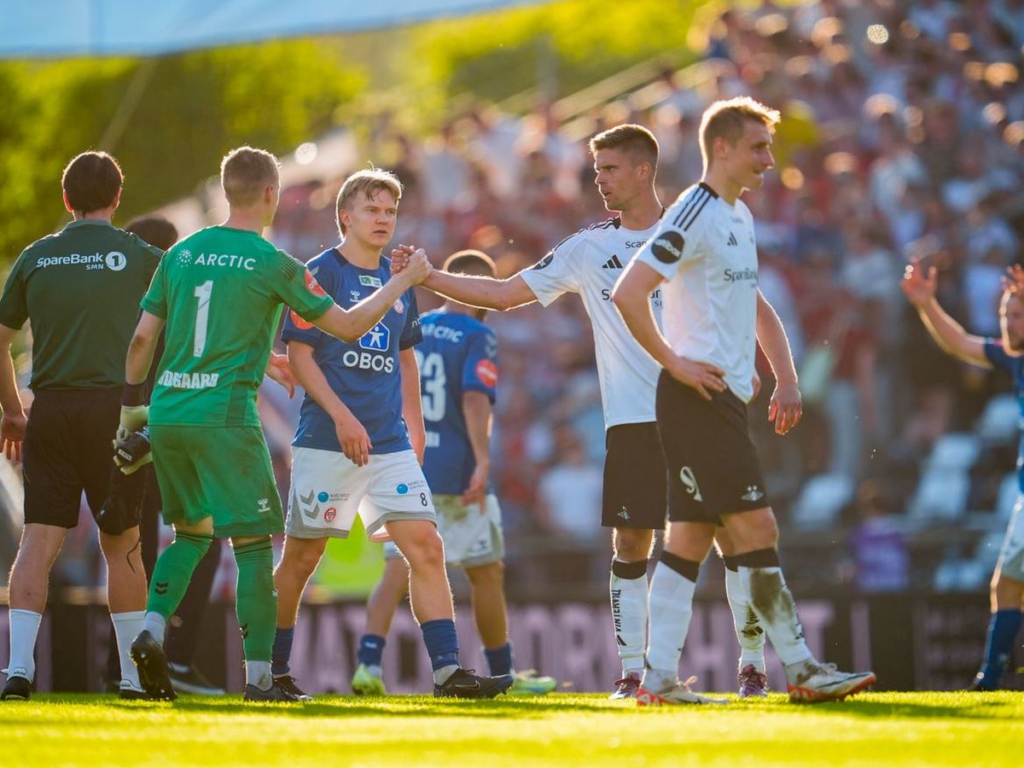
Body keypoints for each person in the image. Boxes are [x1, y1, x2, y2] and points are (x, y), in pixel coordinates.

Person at [391, 123, 770, 698]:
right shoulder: (588, 248)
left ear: (643, 170)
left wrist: (777, 375)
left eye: (610, 169)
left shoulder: (695, 228)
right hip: (632, 421)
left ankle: (753, 668)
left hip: (701, 411)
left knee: (732, 535)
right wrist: (428, 276)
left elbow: (751, 301)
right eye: (596, 171)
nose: (599, 181)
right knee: (631, 544)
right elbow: (503, 294)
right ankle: (632, 673)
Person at [122, 148, 432, 702]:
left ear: (225, 191)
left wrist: (131, 408)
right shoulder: (275, 263)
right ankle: (262, 679)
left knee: (190, 534)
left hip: (167, 413)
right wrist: (401, 281)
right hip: (226, 416)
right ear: (271, 194)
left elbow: (146, 338)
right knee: (253, 547)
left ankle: (150, 629)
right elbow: (348, 326)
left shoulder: (181, 252)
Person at [612, 96, 877, 705]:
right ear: (722, 147)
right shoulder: (694, 211)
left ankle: (657, 681)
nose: (768, 159)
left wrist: (784, 376)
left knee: (689, 538)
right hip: (696, 399)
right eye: (758, 147)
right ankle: (802, 669)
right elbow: (630, 293)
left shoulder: (739, 215)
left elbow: (754, 306)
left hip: (722, 398)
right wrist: (674, 361)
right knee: (757, 526)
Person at [269, 171, 514, 700]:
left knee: (425, 546)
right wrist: (341, 416)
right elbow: (300, 357)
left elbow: (405, 362)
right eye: (372, 209)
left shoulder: (396, 277)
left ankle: (447, 672)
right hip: (327, 439)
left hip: (390, 444)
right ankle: (272, 670)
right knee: (302, 559)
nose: (383, 219)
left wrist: (415, 430)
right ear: (345, 217)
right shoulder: (321, 272)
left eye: (390, 211)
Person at [351, 250, 556, 696]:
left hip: (405, 461)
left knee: (398, 568)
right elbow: (474, 397)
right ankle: (503, 672)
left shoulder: (413, 327)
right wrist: (483, 459)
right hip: (457, 469)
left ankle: (368, 663)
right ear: (480, 290)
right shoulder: (478, 333)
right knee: (486, 570)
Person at [0, 152, 159, 701]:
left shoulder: (36, 256)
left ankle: (18, 670)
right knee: (124, 543)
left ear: (66, 199)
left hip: (50, 410)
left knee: (38, 540)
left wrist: (12, 411)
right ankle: (133, 678)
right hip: (115, 411)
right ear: (117, 197)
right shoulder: (142, 256)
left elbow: (0, 339)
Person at [101, 215, 226, 696]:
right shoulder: (178, 299)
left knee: (135, 550)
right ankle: (174, 657)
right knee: (200, 541)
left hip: (122, 431)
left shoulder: (116, 303)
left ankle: (122, 665)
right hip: (171, 431)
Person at [901, 260, 1024, 690]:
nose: (1009, 322)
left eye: (1017, 315)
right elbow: (959, 343)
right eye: (1006, 314)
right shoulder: (1013, 359)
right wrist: (926, 304)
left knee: (1009, 584)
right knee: (1008, 585)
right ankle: (990, 678)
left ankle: (990, 678)